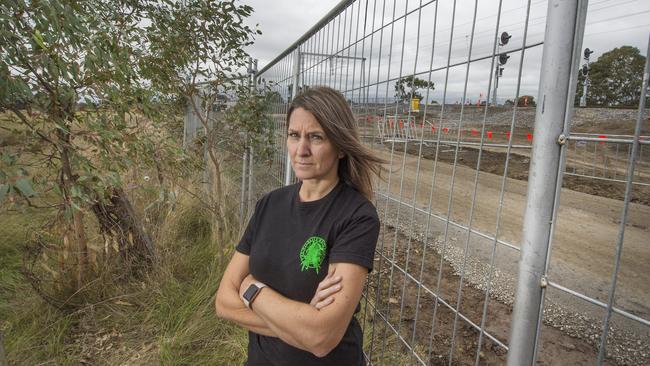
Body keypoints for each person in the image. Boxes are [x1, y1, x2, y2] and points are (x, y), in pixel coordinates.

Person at [215, 86, 386, 365]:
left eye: (316, 137)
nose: (301, 150)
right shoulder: (269, 205)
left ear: (340, 146)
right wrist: (301, 326)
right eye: (294, 136)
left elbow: (322, 337)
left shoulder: (357, 217)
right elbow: (223, 302)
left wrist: (252, 289)